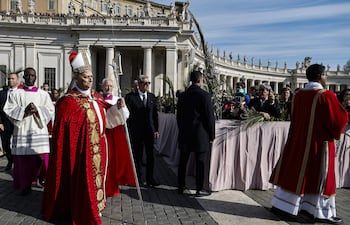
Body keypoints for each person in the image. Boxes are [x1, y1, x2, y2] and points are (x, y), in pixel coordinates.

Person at [269, 64, 348, 224]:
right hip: (319, 145)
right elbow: (337, 121)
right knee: (319, 178)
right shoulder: (326, 95)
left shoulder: (298, 95)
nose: (327, 78)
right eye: (325, 75)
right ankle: (321, 212)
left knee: (295, 173)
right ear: (320, 76)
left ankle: (284, 206)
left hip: (298, 142)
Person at [42, 49, 111, 225]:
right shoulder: (68, 101)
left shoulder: (96, 97)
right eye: (87, 76)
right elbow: (67, 132)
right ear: (77, 77)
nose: (91, 79)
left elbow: (107, 119)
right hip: (80, 151)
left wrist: (119, 108)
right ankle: (82, 207)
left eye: (92, 77)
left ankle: (95, 205)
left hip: (98, 148)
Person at [4, 67, 54, 195]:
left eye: (32, 76)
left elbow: (50, 110)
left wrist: (37, 110)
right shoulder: (16, 94)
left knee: (41, 157)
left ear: (36, 77)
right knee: (24, 160)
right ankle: (25, 184)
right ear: (24, 77)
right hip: (23, 130)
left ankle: (42, 179)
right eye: (28, 75)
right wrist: (24, 111)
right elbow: (9, 109)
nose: (30, 78)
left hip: (38, 130)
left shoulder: (43, 94)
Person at [176, 70, 215, 197]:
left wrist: (181, 129)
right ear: (200, 80)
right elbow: (209, 117)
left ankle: (180, 186)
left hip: (185, 133)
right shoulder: (205, 95)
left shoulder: (182, 96)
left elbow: (178, 116)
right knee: (200, 162)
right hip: (201, 134)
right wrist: (212, 134)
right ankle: (199, 189)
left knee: (183, 162)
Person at [101, 78, 136, 197]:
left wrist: (122, 107)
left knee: (113, 161)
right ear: (102, 86)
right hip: (102, 133)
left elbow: (126, 116)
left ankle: (112, 187)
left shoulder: (117, 100)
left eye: (110, 86)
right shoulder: (97, 99)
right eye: (106, 86)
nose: (108, 88)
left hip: (115, 133)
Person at [125, 75, 159, 187]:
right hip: (136, 131)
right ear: (139, 84)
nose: (147, 85)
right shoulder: (130, 97)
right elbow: (127, 116)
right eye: (145, 83)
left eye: (148, 83)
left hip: (149, 131)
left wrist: (156, 129)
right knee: (138, 156)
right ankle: (137, 178)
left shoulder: (152, 97)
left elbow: (155, 115)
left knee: (150, 156)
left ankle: (150, 178)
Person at [0, 72, 20, 171]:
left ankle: (17, 162)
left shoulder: (21, 93)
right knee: (5, 143)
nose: (10, 80)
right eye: (9, 79)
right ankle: (10, 160)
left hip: (17, 122)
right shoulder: (2, 93)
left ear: (17, 80)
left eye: (12, 78)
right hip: (5, 122)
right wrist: (0, 122)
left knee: (17, 143)